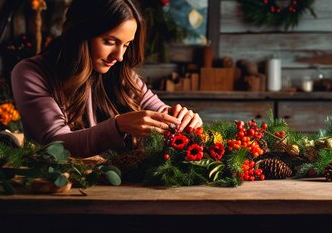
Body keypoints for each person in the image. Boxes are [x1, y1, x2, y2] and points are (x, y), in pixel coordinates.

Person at [11, 0, 202, 157]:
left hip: (120, 193)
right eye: (110, 42)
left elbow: (160, 112)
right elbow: (57, 143)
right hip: (56, 193)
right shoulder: (31, 73)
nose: (119, 56)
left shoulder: (121, 73)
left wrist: (181, 119)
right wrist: (118, 126)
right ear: (81, 33)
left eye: (126, 45)